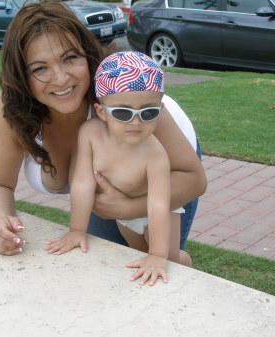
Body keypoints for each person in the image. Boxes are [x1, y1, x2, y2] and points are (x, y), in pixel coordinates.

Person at [0, 1, 206, 257]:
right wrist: (0, 221)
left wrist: (128, 209)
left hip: (166, 175)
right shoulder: (13, 109)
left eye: (70, 58)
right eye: (39, 68)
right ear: (21, 76)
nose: (61, 79)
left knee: (163, 263)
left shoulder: (130, 105)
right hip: (102, 197)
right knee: (110, 260)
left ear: (87, 54)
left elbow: (193, 180)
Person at [45, 51, 192, 286]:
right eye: (123, 112)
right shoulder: (91, 134)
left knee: (169, 261)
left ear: (160, 110)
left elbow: (158, 205)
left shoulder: (155, 153)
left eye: (148, 112)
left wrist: (157, 254)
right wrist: (76, 230)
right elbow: (83, 183)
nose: (136, 122)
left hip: (161, 212)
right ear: (101, 111)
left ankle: (189, 269)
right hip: (124, 212)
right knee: (137, 254)